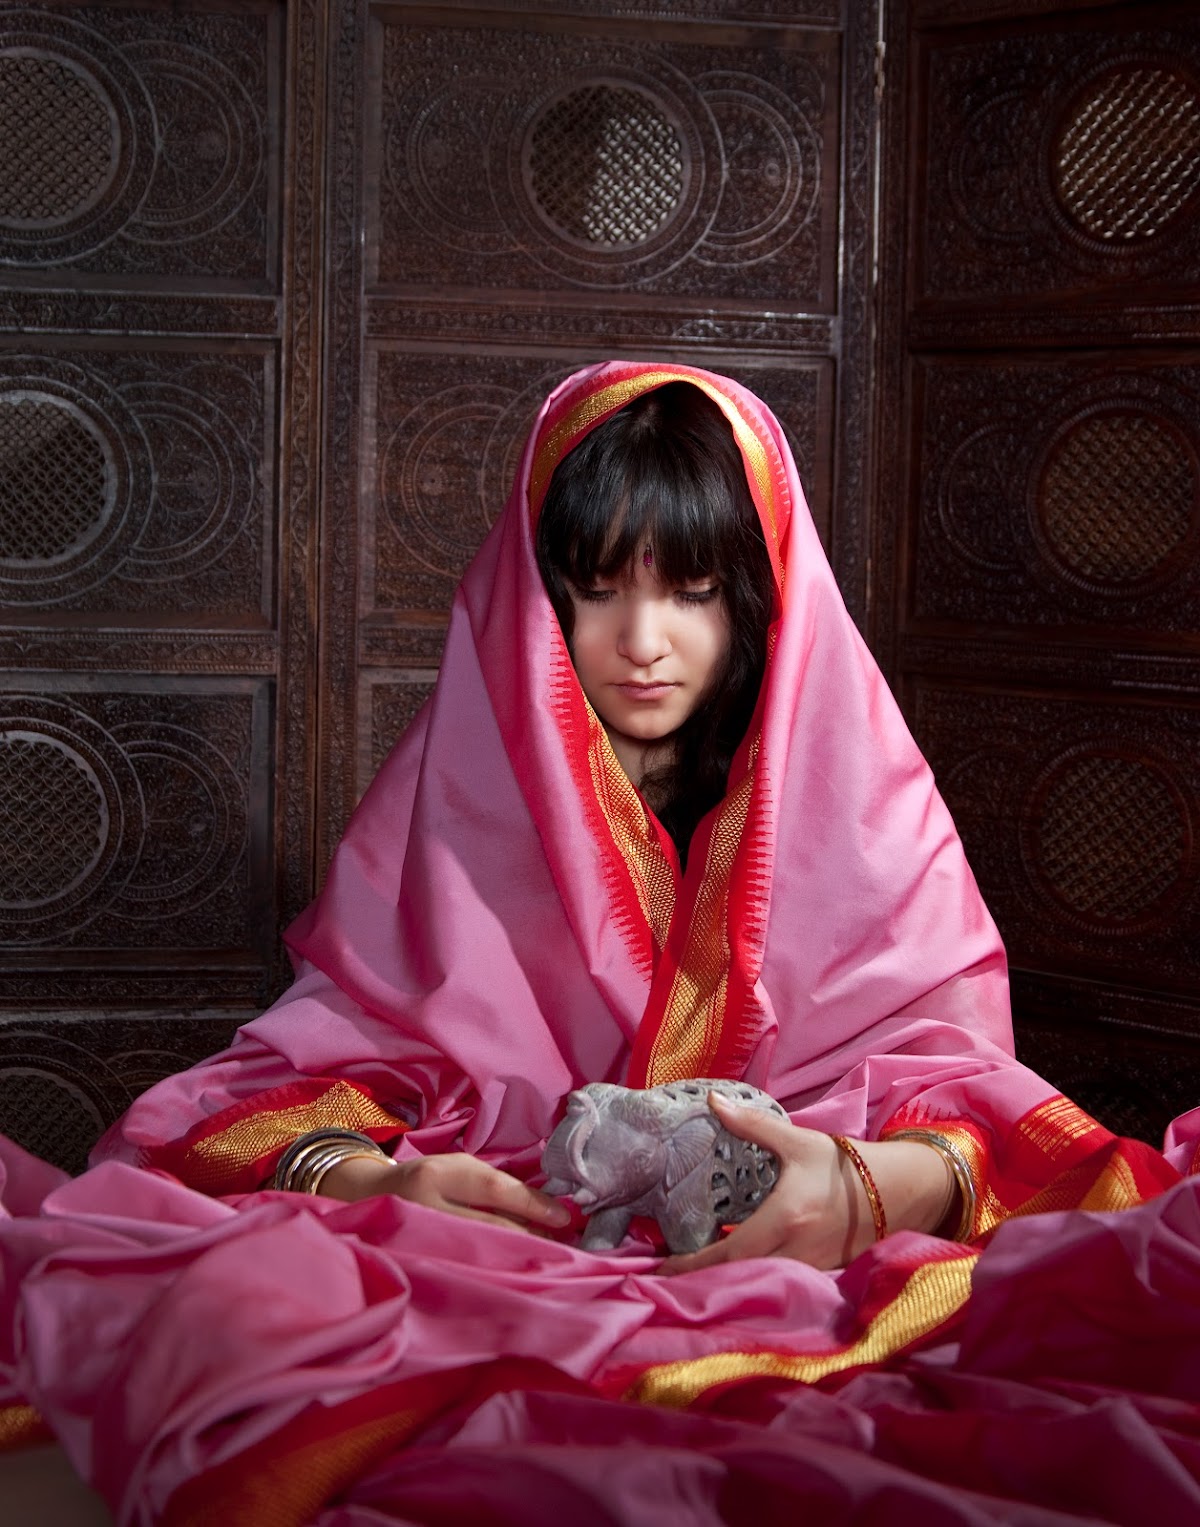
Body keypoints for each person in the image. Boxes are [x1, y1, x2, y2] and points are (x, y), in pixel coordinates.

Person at [0, 361, 1197, 1526]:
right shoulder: (454, 805)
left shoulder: (867, 809)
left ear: (762, 593)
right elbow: (270, 1089)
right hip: (485, 1268)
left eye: (693, 590)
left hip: (814, 1274)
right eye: (597, 587)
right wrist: (375, 1181)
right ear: (536, 590)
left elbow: (971, 1090)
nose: (642, 641)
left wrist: (879, 1184)